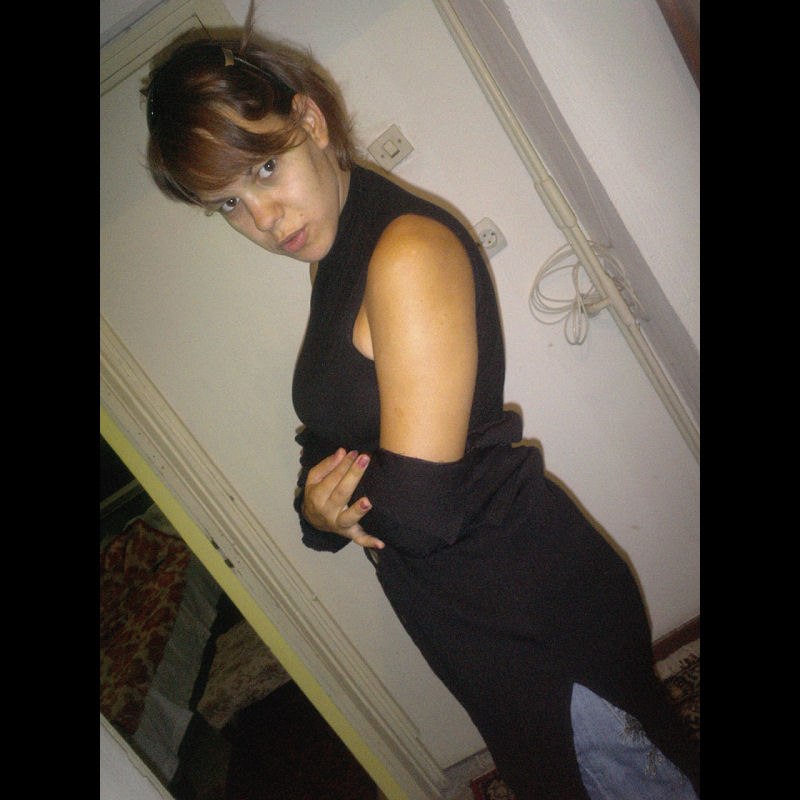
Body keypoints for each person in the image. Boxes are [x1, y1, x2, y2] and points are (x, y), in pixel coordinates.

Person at [143, 14, 700, 800]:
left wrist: (327, 509)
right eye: (228, 204)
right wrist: (319, 508)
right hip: (472, 611)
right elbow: (334, 435)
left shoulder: (403, 250)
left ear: (311, 120)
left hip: (527, 613)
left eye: (265, 169)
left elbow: (421, 510)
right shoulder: (333, 250)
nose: (262, 220)